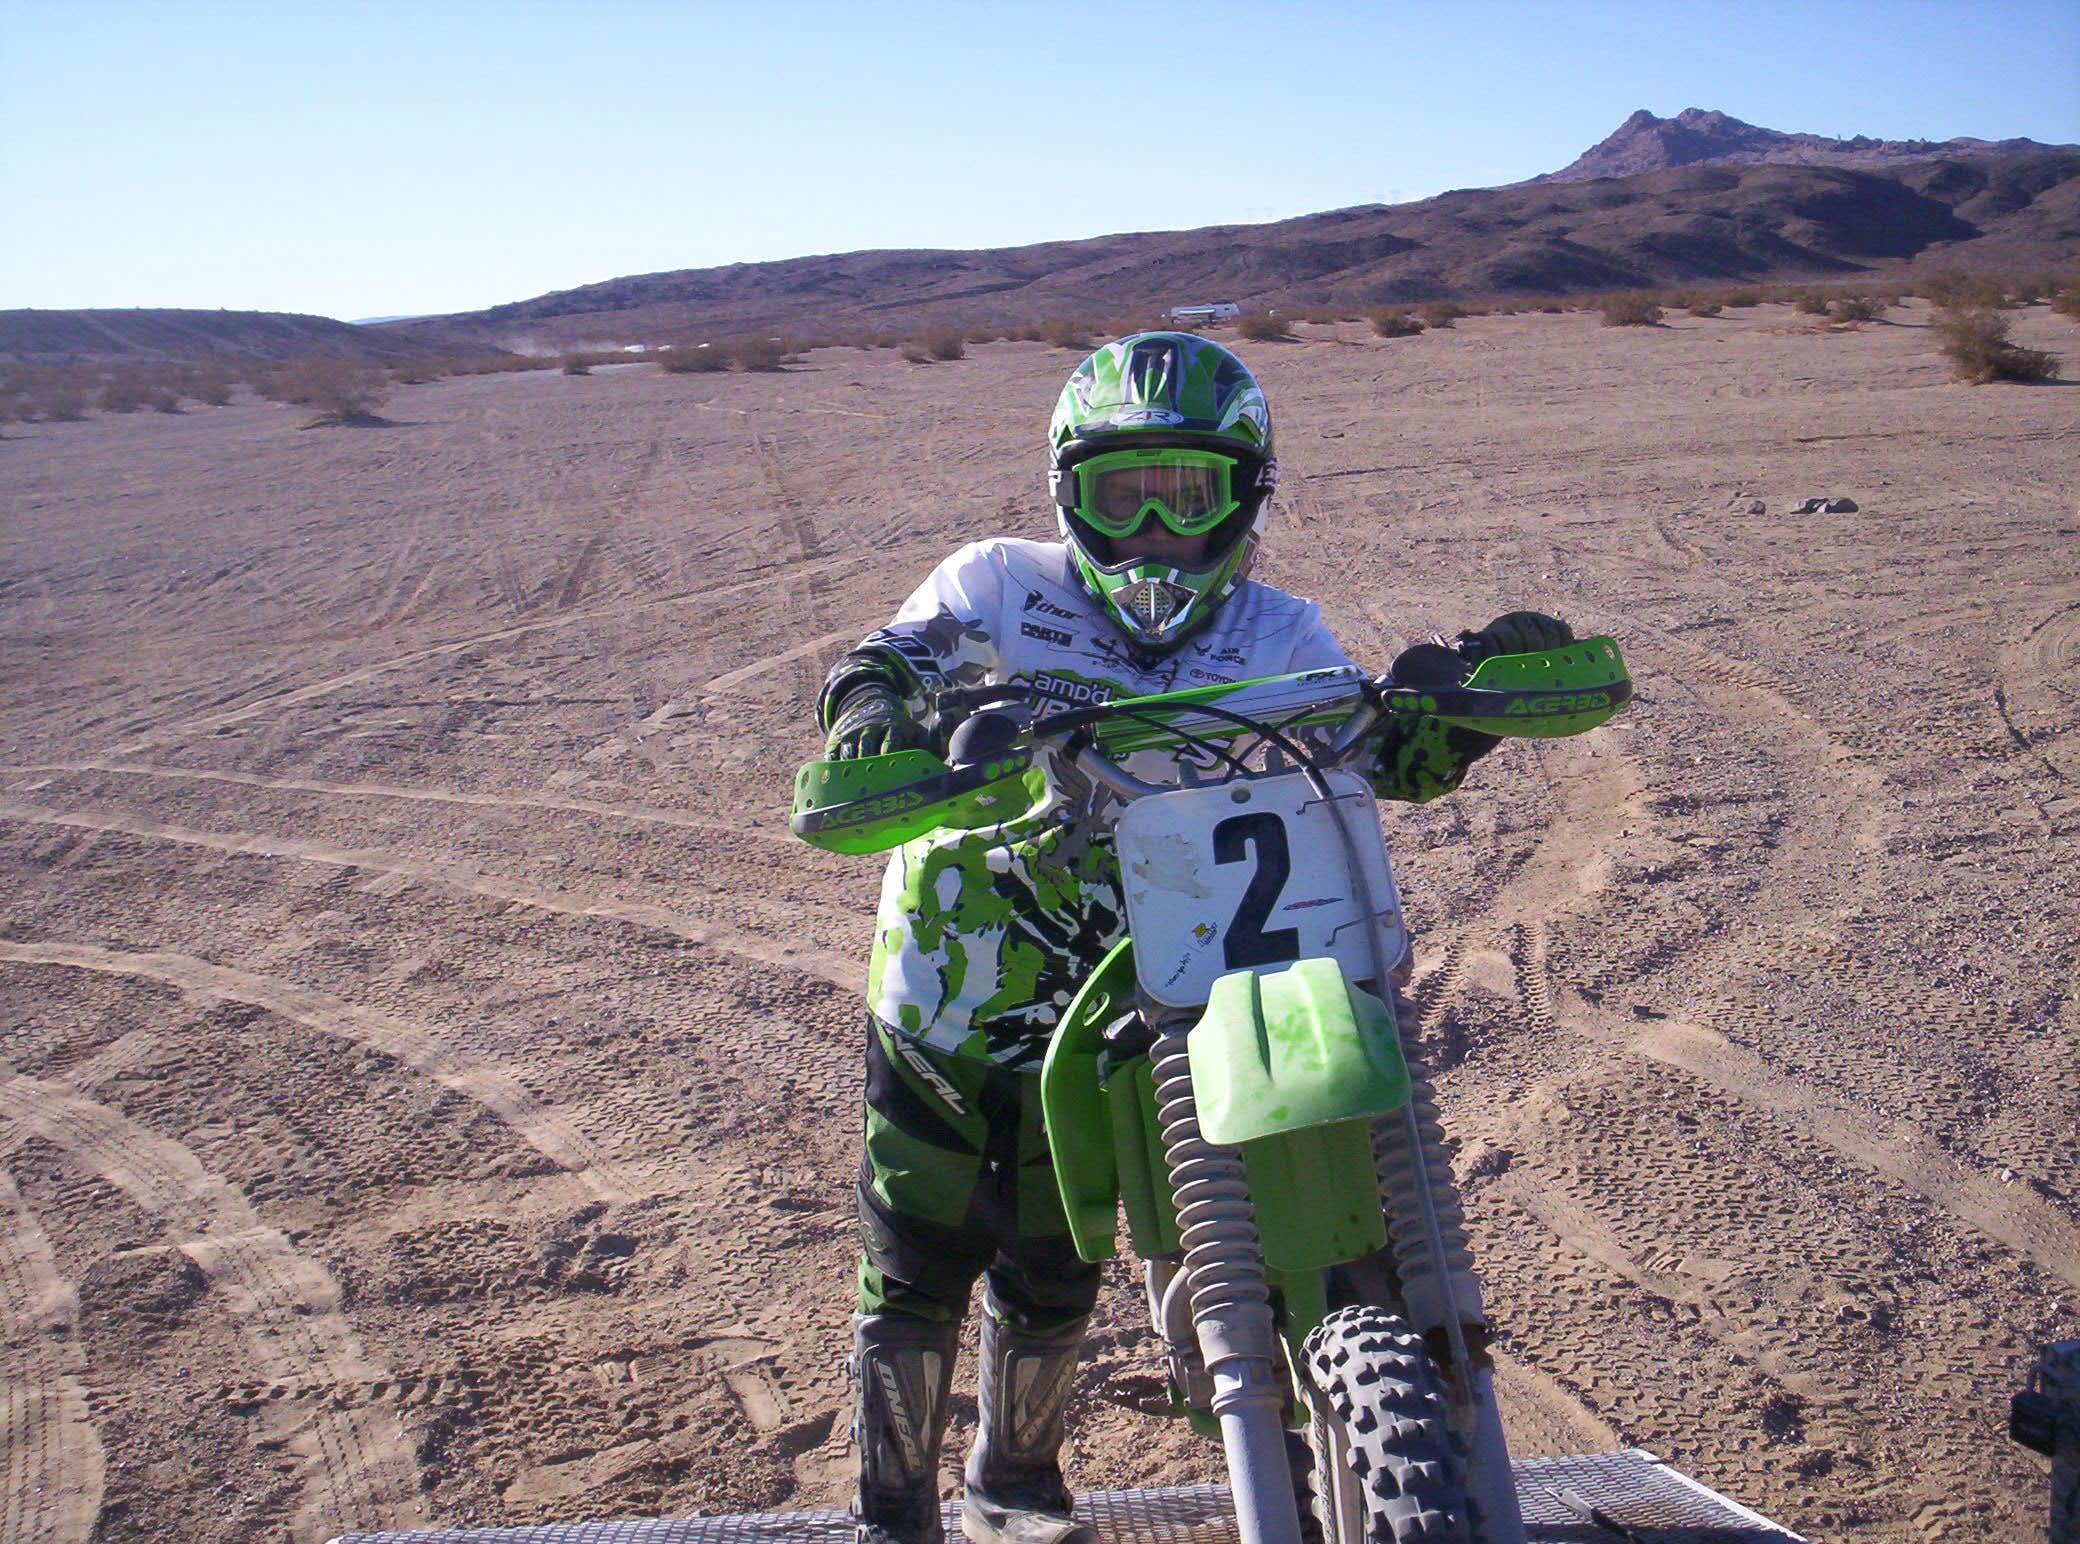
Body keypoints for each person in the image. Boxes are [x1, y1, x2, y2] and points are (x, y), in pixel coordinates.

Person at [815, 332, 1570, 1544]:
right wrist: (872, 716)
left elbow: (1367, 752)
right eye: (1125, 495)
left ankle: (1014, 1484)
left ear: (1243, 493)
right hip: (955, 991)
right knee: (915, 1262)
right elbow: (892, 659)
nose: (1156, 531)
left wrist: (1470, 697)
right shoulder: (997, 585)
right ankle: (889, 1510)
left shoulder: (1280, 631)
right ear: (1072, 494)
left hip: (1141, 998)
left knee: (1055, 1261)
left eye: (1188, 492)